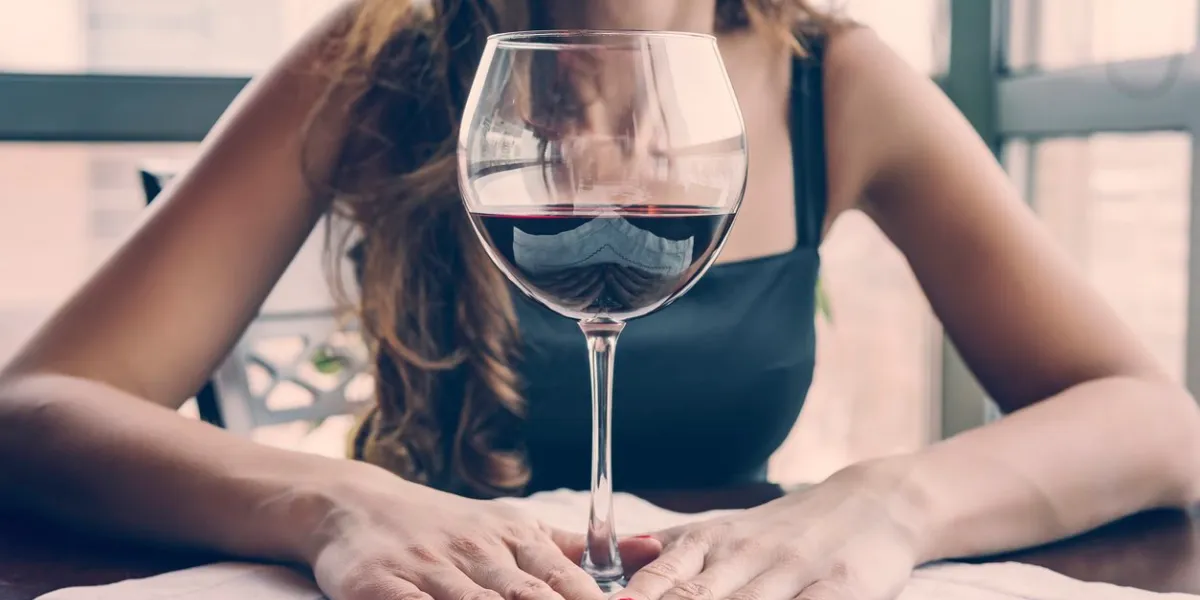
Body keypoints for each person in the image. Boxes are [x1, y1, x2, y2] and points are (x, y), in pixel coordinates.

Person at [1, 1, 1198, 599]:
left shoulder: (830, 77)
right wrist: (332, 504)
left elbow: (1161, 428)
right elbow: (37, 407)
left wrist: (894, 503)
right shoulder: (382, 60)